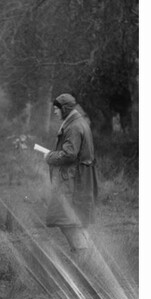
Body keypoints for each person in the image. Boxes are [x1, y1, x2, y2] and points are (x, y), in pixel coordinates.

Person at [43, 93, 99, 256]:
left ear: (65, 109)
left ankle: (82, 254)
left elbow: (69, 154)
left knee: (67, 218)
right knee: (72, 219)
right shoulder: (78, 122)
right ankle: (83, 255)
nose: (54, 112)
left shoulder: (73, 126)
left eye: (57, 109)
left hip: (74, 180)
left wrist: (49, 157)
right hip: (78, 178)